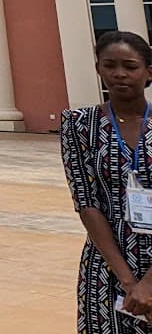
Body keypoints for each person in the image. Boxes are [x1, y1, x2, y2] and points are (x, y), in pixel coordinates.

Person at [62, 30, 152, 327]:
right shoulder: (78, 125)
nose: (119, 74)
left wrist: (148, 284)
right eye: (109, 65)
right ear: (98, 68)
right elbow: (86, 203)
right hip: (107, 264)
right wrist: (129, 282)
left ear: (148, 72)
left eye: (130, 66)